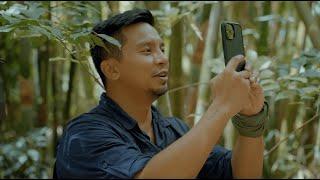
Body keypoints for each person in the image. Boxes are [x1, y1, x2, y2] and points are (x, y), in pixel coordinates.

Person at [54, 9, 268, 179]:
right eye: (147, 51)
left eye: (162, 49)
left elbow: (240, 173)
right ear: (112, 69)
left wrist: (251, 119)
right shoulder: (83, 135)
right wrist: (221, 106)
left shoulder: (173, 130)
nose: (162, 59)